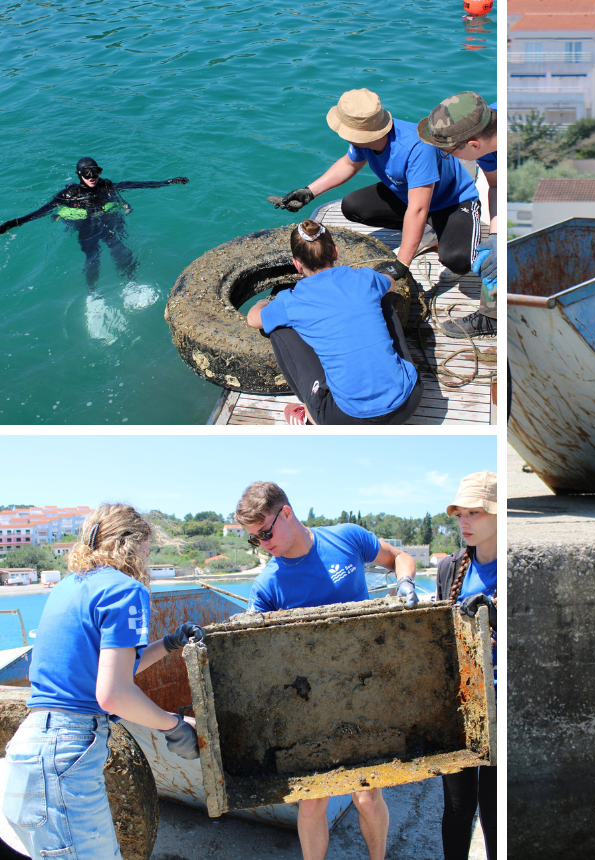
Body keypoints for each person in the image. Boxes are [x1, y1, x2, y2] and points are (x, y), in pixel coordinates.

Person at [3, 504, 203, 860]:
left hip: (31, 752)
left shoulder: (68, 587)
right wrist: (174, 725)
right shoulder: (125, 590)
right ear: (131, 544)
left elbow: (105, 676)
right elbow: (112, 694)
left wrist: (170, 643)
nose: (147, 557)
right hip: (65, 758)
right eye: (147, 549)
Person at [234, 481, 417, 860]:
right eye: (254, 540)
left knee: (367, 795)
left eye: (266, 533)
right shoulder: (268, 583)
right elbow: (247, 642)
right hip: (308, 701)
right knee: (313, 801)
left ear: (287, 512)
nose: (263, 544)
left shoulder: (346, 538)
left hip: (365, 689)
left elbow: (398, 557)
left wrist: (406, 584)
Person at [270, 89, 481, 276]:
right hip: (408, 196)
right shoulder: (365, 141)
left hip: (451, 202)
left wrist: (402, 263)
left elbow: (418, 208)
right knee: (352, 207)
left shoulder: (417, 148)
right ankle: (426, 231)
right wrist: (309, 192)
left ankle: (434, 232)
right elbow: (349, 164)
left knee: (458, 261)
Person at [247, 220, 421, 426]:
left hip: (347, 419)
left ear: (297, 263)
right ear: (335, 252)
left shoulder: (291, 300)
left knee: (278, 330)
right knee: (381, 297)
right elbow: (390, 283)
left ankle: (310, 415)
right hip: (409, 401)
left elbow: (253, 319)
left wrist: (264, 302)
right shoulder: (364, 278)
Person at [0, 157, 187, 288]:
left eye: (95, 172)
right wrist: (13, 223)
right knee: (92, 257)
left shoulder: (106, 186)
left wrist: (168, 182)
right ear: (79, 174)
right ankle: (93, 292)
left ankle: (131, 284)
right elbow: (41, 211)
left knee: (121, 249)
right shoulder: (67, 195)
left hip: (107, 221)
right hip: (85, 226)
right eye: (87, 173)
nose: (92, 177)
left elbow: (135, 184)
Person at [435, 471, 497, 860]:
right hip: (460, 708)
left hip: (498, 705)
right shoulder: (449, 568)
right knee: (458, 810)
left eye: (475, 512)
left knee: (494, 812)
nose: (464, 522)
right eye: (460, 514)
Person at [418, 92, 498, 340]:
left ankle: (492, 317)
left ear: (473, 145)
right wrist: (495, 235)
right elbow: (496, 186)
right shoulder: (487, 128)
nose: (446, 156)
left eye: (447, 151)